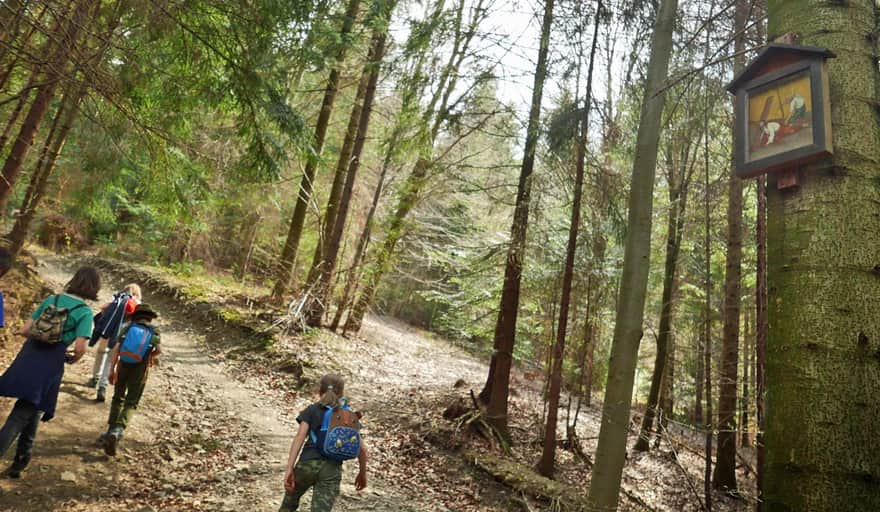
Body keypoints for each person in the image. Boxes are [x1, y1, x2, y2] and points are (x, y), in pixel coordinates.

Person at [0, 266, 99, 479]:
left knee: (35, 407)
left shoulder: (50, 300)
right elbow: (81, 347)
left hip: (29, 355)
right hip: (51, 362)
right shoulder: (84, 312)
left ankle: (20, 462)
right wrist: (74, 358)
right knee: (22, 412)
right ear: (93, 287)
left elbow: (27, 330)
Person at [279, 374, 368, 512]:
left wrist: (289, 468)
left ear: (320, 390)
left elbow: (299, 438)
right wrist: (362, 473)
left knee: (288, 506)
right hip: (331, 471)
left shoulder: (311, 410)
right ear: (342, 392)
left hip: (307, 465)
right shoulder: (349, 416)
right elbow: (361, 449)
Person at [101, 303, 160, 456]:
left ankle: (109, 431)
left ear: (135, 316)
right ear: (150, 317)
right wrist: (150, 356)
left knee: (117, 398)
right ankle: (118, 430)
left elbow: (116, 349)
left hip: (123, 366)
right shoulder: (154, 332)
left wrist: (112, 369)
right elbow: (158, 351)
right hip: (140, 370)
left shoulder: (127, 328)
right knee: (131, 402)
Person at [88, 283, 142, 402]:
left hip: (107, 332)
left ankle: (95, 378)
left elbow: (103, 308)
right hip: (122, 336)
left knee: (101, 353)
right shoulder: (138, 305)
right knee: (110, 360)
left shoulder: (118, 298)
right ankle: (102, 386)